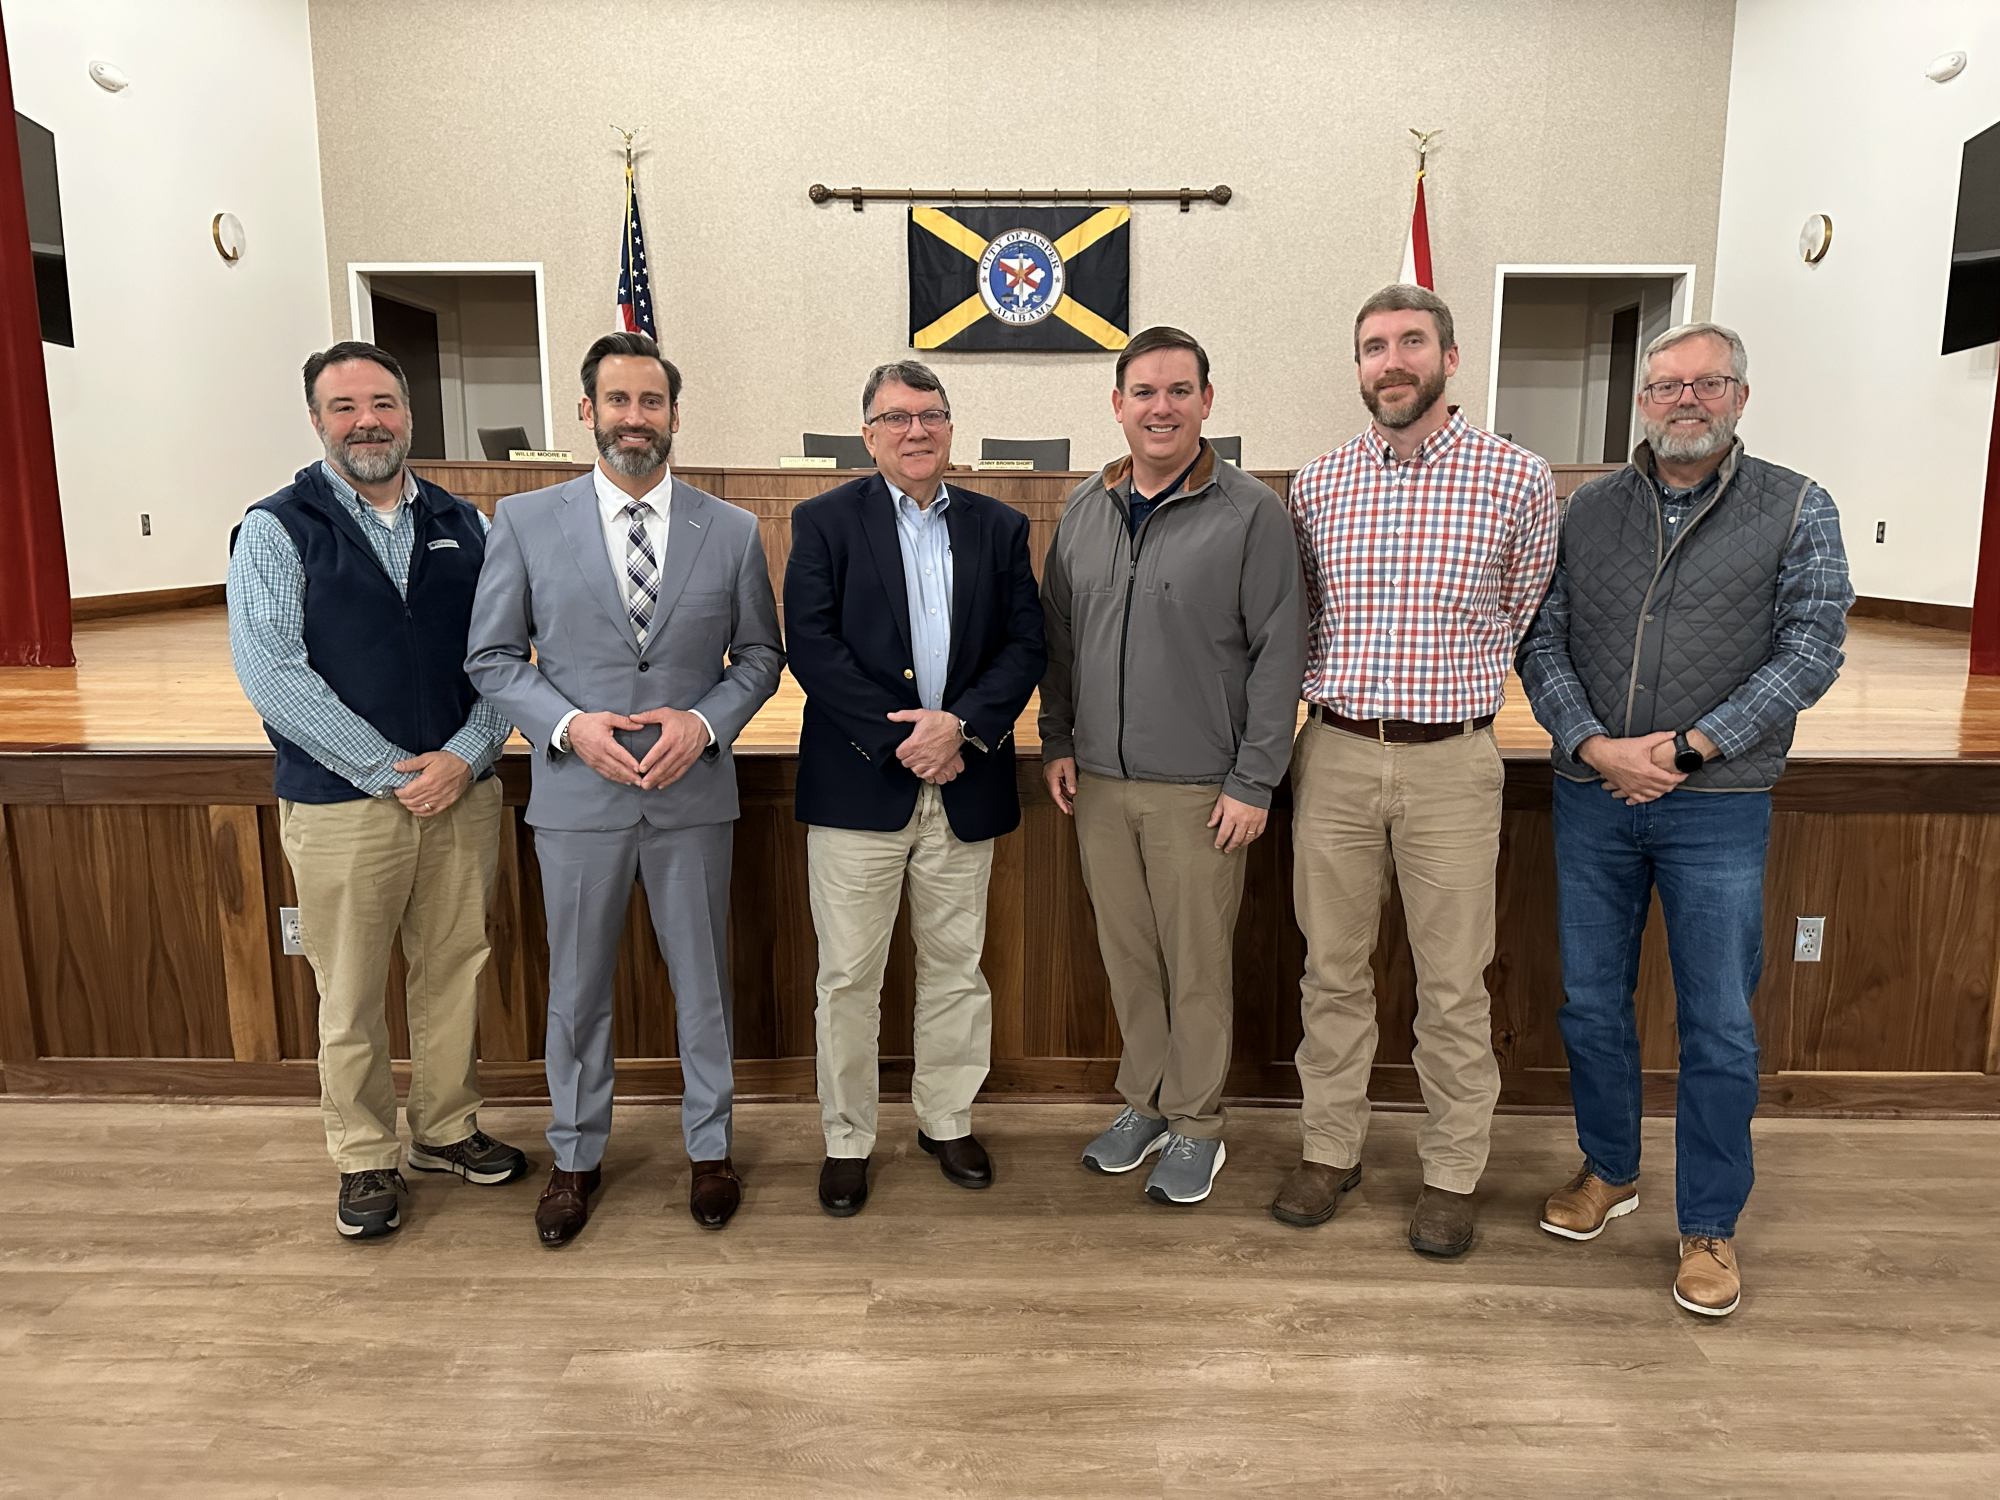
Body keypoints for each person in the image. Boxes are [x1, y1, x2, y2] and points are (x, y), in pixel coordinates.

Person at [1517, 321, 1851, 1317]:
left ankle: (1708, 1224)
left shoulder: (1797, 505)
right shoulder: (1587, 510)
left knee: (1717, 1024)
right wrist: (1593, 746)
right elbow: (1541, 637)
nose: (1686, 401)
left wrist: (1689, 748)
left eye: (1707, 384)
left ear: (1739, 397)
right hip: (1591, 797)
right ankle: (1608, 1169)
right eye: (1666, 386)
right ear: (1643, 401)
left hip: (1716, 806)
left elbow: (1811, 649)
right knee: (1590, 1002)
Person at [465, 331, 783, 1245]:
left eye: (652, 402)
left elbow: (760, 655)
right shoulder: (525, 521)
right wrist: (569, 726)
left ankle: (711, 1148)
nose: (634, 418)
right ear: (587, 411)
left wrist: (706, 723)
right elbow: (493, 655)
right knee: (576, 988)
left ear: (674, 414)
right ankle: (573, 1155)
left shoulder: (731, 529)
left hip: (692, 796)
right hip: (579, 796)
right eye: (618, 401)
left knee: (703, 985)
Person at [1275, 285, 1557, 1259]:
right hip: (1336, 752)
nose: (1390, 362)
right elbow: (1305, 613)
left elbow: (1521, 608)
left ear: (1447, 356)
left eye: (1409, 342)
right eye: (1372, 347)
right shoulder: (1317, 485)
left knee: (1453, 983)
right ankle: (1329, 1148)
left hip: (1452, 762)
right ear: (1357, 366)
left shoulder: (1516, 478)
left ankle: (1450, 1172)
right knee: (1330, 971)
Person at [228, 340, 526, 1241]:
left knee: (454, 970)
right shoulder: (277, 527)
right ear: (317, 420)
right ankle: (364, 1153)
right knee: (350, 989)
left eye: (383, 404)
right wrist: (391, 771)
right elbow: (273, 673)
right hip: (343, 803)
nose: (368, 422)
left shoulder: (468, 524)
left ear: (408, 414)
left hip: (461, 792)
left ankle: (445, 1129)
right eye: (346, 406)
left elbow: (502, 657)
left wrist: (465, 755)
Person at [1040, 326, 1307, 1206]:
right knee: (1130, 960)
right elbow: (1060, 641)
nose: (1162, 408)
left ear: (1206, 401)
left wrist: (1255, 779)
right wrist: (1058, 739)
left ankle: (1197, 1122)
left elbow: (1280, 655)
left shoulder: (1251, 513)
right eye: (1145, 393)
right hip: (1100, 785)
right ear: (1117, 405)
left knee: (1195, 967)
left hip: (1202, 789)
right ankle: (1145, 1104)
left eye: (1179, 391)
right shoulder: (1084, 509)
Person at [783, 361, 1046, 1217]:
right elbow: (812, 646)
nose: (916, 430)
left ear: (950, 428)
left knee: (956, 969)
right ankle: (847, 1137)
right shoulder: (824, 521)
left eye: (930, 414)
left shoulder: (1000, 527)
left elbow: (1025, 645)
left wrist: (958, 727)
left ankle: (946, 1119)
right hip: (860, 785)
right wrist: (910, 739)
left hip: (964, 783)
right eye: (896, 417)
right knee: (847, 978)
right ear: (868, 435)